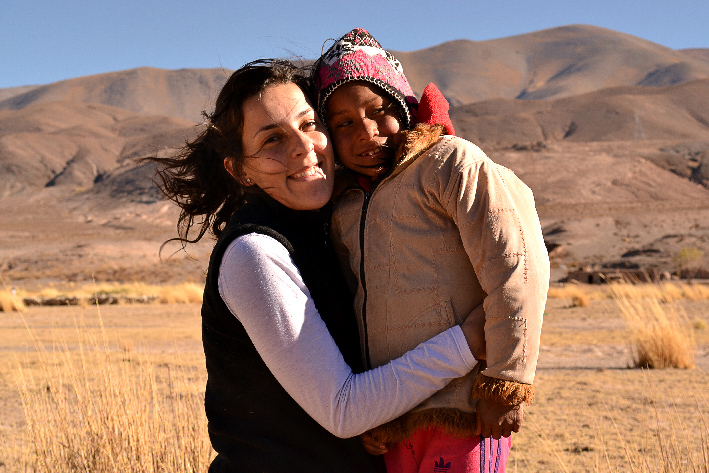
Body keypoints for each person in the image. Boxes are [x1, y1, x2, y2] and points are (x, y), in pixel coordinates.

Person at [149, 59, 488, 473]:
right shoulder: (256, 255)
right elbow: (343, 409)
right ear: (240, 170)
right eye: (272, 139)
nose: (302, 146)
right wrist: (469, 341)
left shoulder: (333, 231)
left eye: (309, 124)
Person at [313, 28, 550, 473]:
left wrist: (506, 380)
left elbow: (516, 267)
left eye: (378, 111)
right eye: (343, 123)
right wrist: (368, 408)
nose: (365, 131)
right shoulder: (345, 204)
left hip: (466, 407)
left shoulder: (450, 163)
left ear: (401, 105)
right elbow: (356, 307)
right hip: (394, 415)